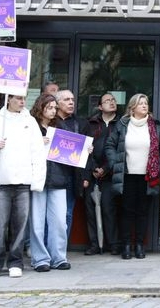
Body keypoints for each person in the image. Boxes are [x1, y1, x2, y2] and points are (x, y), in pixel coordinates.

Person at [0, 94, 46, 279]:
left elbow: (38, 152)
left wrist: (37, 180)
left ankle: (16, 262)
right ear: (8, 99)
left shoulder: (30, 122)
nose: (22, 101)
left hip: (23, 182)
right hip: (0, 182)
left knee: (19, 226)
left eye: (24, 98)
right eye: (18, 98)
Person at [105, 93, 160, 259]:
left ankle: (140, 245)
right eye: (140, 103)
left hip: (148, 176)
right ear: (132, 107)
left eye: (146, 103)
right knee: (126, 211)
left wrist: (159, 167)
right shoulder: (122, 125)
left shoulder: (155, 126)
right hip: (127, 175)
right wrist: (115, 163)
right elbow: (110, 145)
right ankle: (126, 245)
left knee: (143, 211)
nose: (144, 106)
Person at [29, 93, 71, 272]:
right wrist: (38, 143)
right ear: (41, 107)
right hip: (38, 178)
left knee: (60, 221)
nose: (53, 111)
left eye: (55, 107)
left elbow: (70, 152)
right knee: (37, 221)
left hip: (58, 178)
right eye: (50, 107)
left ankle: (59, 257)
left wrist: (85, 150)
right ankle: (40, 258)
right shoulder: (31, 127)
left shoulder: (60, 126)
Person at [84, 93, 119, 255]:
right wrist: (93, 168)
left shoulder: (120, 124)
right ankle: (94, 244)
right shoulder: (90, 124)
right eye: (107, 101)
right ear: (100, 106)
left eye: (113, 100)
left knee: (108, 209)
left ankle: (112, 244)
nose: (111, 103)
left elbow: (120, 149)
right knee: (90, 210)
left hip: (111, 174)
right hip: (91, 173)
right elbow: (83, 149)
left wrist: (105, 168)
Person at [55, 90, 89, 240]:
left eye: (73, 100)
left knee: (67, 213)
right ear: (57, 103)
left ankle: (61, 250)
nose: (71, 103)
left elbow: (88, 153)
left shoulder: (80, 123)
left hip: (72, 175)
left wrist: (86, 176)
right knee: (50, 214)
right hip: (52, 175)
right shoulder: (50, 121)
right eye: (66, 100)